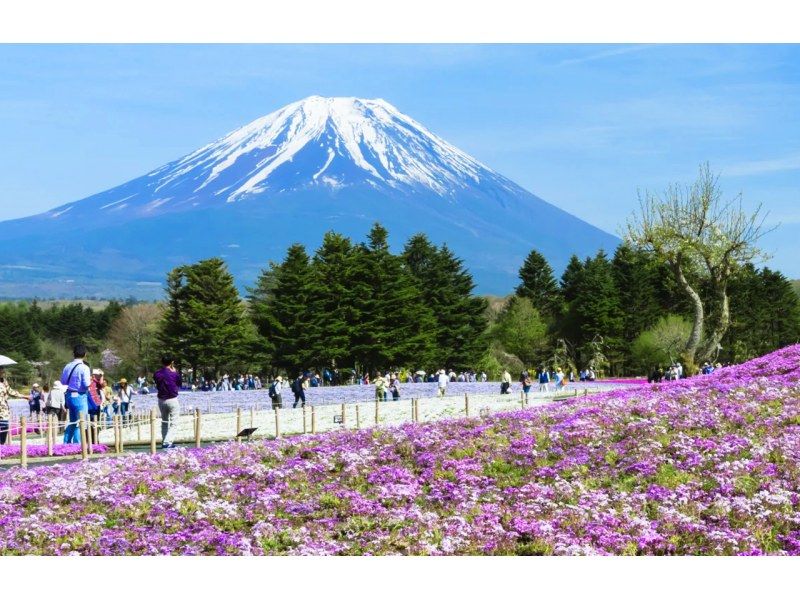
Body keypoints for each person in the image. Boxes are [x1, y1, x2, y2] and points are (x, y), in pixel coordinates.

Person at [61, 344, 92, 444]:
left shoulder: (67, 366)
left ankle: (66, 443)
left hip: (69, 395)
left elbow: (63, 381)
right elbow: (87, 384)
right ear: (85, 354)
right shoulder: (84, 367)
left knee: (73, 421)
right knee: (81, 422)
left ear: (73, 353)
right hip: (80, 395)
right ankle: (78, 444)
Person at [154, 354, 181, 449]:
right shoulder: (174, 373)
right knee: (174, 422)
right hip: (172, 399)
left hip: (161, 400)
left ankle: (164, 441)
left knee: (164, 421)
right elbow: (179, 383)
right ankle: (167, 442)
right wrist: (175, 372)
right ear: (172, 362)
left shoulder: (157, 373)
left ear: (162, 362)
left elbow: (157, 382)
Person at [0, 366, 26, 444]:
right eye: (1, 371)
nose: (2, 373)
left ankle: (1, 444)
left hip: (3, 408)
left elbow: (10, 391)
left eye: (2, 371)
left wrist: (24, 396)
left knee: (5, 426)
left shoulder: (4, 381)